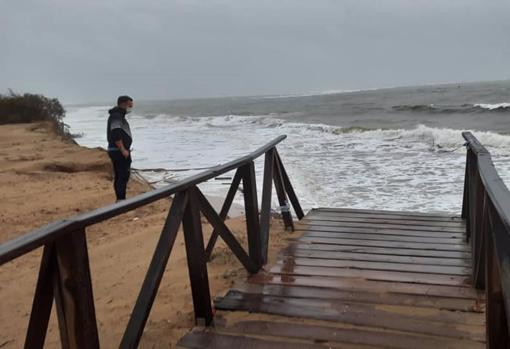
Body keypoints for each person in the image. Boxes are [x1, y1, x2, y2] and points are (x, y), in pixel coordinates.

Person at [107, 95, 134, 201]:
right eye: (130, 102)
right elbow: (116, 133)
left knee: (120, 175)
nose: (131, 105)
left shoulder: (118, 115)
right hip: (118, 151)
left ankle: (120, 199)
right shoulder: (116, 115)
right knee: (122, 175)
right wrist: (123, 150)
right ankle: (121, 200)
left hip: (117, 150)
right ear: (124, 103)